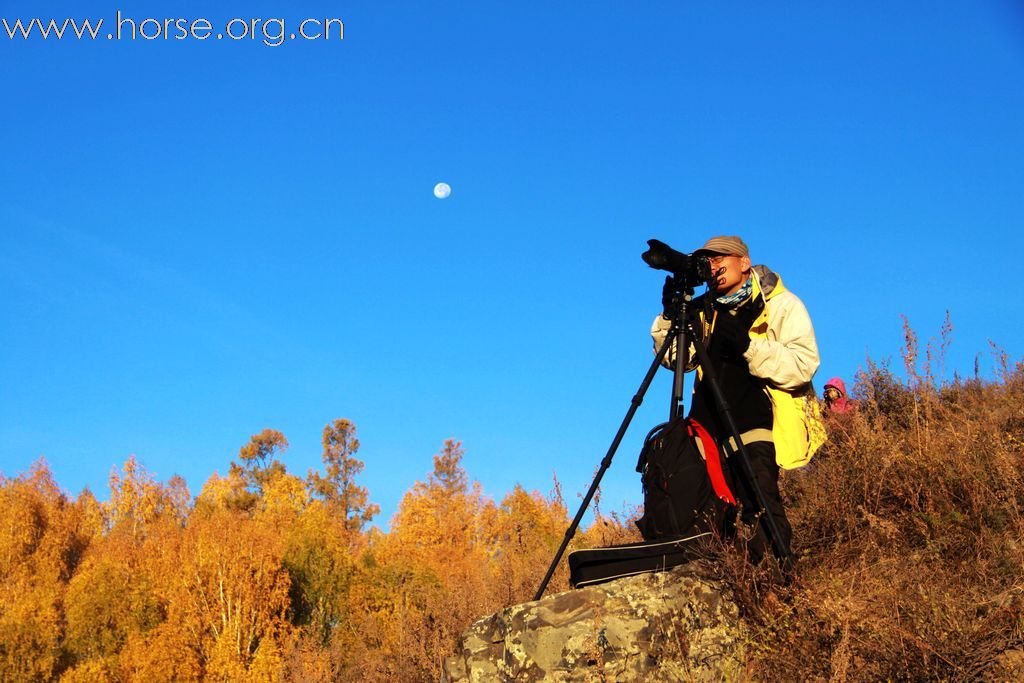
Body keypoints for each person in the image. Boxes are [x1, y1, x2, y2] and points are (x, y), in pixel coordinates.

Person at [650, 235, 822, 566]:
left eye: (719, 259)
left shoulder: (781, 304)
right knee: (707, 511)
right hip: (708, 428)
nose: (712, 268)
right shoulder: (704, 310)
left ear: (743, 262)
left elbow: (803, 364)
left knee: (760, 504)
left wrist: (748, 345)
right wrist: (671, 316)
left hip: (759, 423)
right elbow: (679, 361)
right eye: (707, 262)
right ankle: (714, 580)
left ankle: (778, 581)